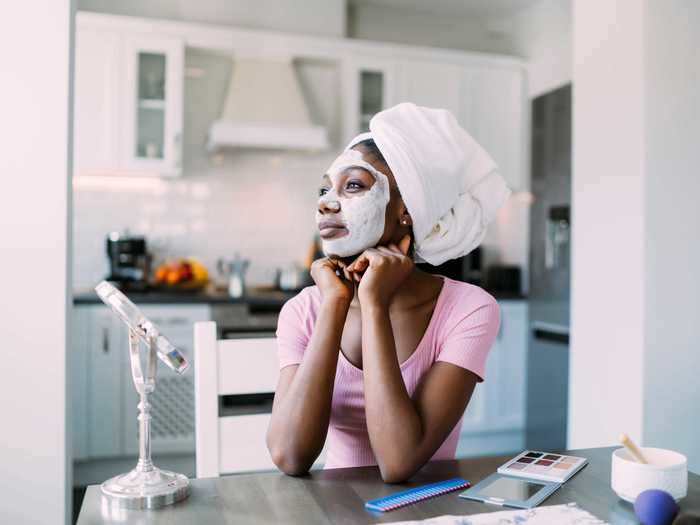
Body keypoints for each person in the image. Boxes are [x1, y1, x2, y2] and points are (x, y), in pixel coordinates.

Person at [266, 103, 511, 483]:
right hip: (332, 511)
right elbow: (290, 455)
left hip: (427, 508)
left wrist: (374, 304)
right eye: (324, 188)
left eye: (352, 186)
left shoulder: (470, 309)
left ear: (407, 209)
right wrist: (334, 302)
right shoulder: (306, 309)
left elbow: (398, 463)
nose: (326, 202)